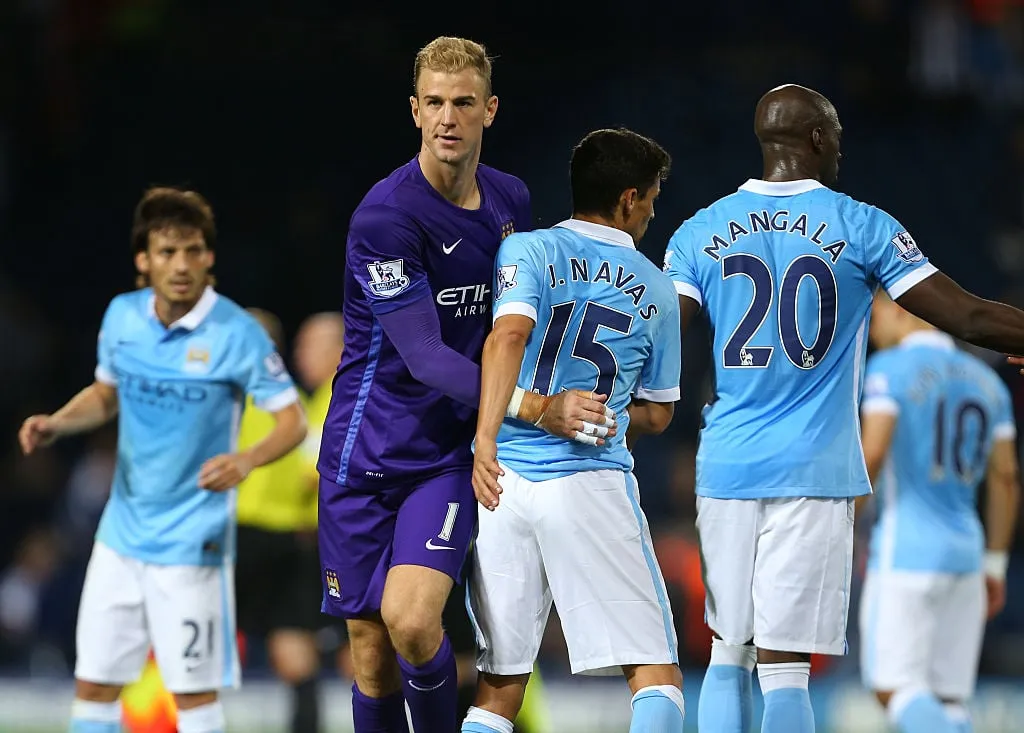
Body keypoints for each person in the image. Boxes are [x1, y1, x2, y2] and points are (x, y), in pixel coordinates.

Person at [662, 83, 1024, 733]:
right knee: (785, 668)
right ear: (818, 138)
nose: (840, 152)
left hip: (728, 464)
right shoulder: (863, 225)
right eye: (838, 139)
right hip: (814, 468)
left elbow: (660, 334)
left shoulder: (700, 230)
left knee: (727, 651)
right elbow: (965, 314)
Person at [316, 36, 613, 733]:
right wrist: (536, 407)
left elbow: (514, 322)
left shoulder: (510, 199)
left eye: (464, 102)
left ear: (490, 110)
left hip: (449, 453)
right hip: (365, 453)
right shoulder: (386, 218)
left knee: (413, 621)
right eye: (435, 103)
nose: (448, 118)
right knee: (371, 655)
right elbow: (425, 357)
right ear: (415, 110)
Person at [18, 186, 307, 733]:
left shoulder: (237, 333)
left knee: (194, 696)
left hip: (193, 543)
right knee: (94, 686)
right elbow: (106, 394)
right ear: (143, 260)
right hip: (120, 537)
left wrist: (247, 459)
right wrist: (57, 422)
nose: (181, 265)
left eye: (193, 251)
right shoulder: (122, 316)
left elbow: (292, 421)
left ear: (209, 257)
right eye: (167, 252)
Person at [465, 127, 684, 733]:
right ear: (629, 199)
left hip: (499, 484)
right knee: (656, 675)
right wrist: (603, 418)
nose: (652, 212)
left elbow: (505, 338)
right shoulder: (657, 288)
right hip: (589, 482)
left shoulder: (524, 250)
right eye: (652, 199)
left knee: (499, 688)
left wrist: (487, 439)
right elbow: (659, 413)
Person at [858, 292, 1020, 733]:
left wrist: (838, 529)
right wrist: (995, 562)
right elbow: (1006, 476)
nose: (871, 329)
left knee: (892, 688)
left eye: (874, 314)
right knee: (948, 697)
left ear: (901, 308)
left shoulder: (889, 370)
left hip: (906, 552)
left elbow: (872, 455)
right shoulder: (988, 380)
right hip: (968, 556)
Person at [234, 308, 324, 733]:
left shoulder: (223, 396)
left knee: (199, 634)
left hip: (236, 532)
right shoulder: (298, 401)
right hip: (293, 537)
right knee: (293, 645)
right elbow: (313, 472)